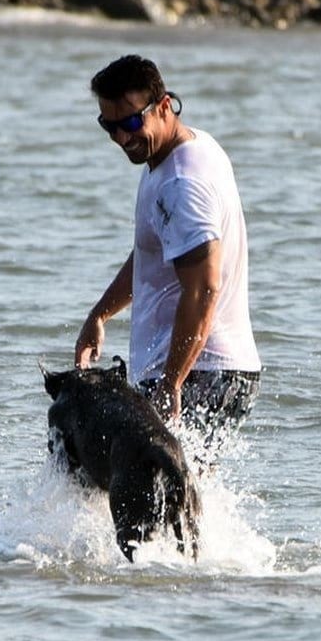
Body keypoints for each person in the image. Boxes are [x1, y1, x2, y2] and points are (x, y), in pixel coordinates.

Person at [74, 54, 261, 446]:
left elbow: (204, 288)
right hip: (205, 370)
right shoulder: (187, 149)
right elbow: (155, 253)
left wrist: (173, 381)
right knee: (174, 500)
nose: (122, 138)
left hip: (199, 373)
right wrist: (101, 314)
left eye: (130, 123)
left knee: (152, 500)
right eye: (109, 126)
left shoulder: (181, 183)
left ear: (162, 107)